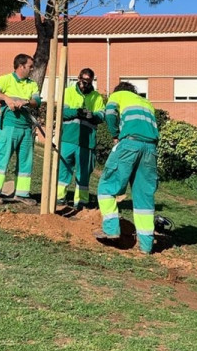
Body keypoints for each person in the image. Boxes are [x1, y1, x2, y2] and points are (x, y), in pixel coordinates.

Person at [94, 82, 159, 254]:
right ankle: (146, 246)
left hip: (129, 143)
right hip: (151, 149)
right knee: (144, 198)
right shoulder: (147, 103)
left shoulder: (119, 95)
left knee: (107, 187)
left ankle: (110, 230)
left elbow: (109, 114)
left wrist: (115, 134)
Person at [0, 54, 41, 206]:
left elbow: (37, 101)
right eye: (30, 66)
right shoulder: (5, 79)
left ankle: (22, 193)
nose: (32, 69)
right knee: (3, 156)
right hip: (9, 125)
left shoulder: (32, 84)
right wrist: (6, 99)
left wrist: (26, 101)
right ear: (21, 66)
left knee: (25, 161)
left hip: (26, 127)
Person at [57, 68, 105, 209]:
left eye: (89, 82)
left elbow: (102, 115)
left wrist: (93, 116)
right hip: (68, 138)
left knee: (84, 172)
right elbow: (61, 112)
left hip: (87, 141)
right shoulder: (68, 92)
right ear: (78, 79)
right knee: (63, 169)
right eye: (84, 82)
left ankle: (81, 202)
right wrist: (77, 112)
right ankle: (60, 198)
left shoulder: (96, 97)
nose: (86, 85)